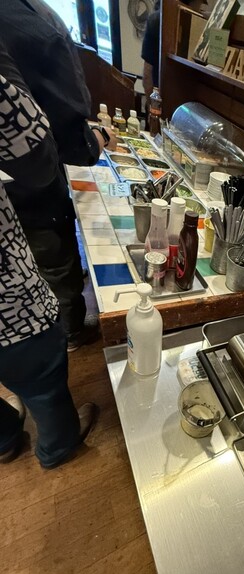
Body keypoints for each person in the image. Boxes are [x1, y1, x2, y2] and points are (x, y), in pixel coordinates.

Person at [0, 43, 98, 469]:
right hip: (6, 296)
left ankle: (5, 437)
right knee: (39, 374)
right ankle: (57, 446)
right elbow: (37, 156)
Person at [0, 0, 118, 351]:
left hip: (16, 190)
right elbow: (66, 144)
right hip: (29, 190)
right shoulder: (38, 29)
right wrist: (98, 138)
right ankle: (71, 334)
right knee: (54, 257)